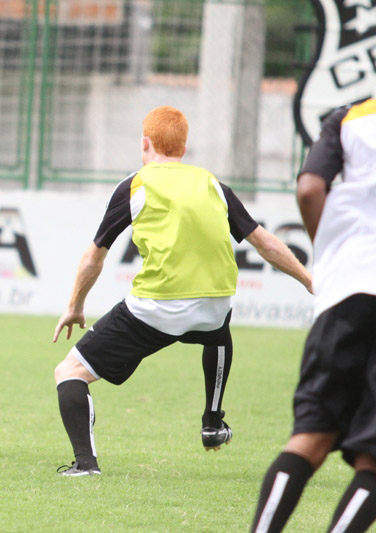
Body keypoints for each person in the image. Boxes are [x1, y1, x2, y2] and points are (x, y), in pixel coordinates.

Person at [52, 106, 313, 476]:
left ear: (145, 143)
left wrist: (75, 306)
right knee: (217, 326)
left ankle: (85, 464)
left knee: (70, 372)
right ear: (183, 149)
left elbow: (94, 258)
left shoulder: (136, 184)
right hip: (213, 304)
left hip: (156, 308)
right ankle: (212, 422)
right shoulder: (212, 184)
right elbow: (263, 241)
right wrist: (309, 279)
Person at [250, 99, 376, 531]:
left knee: (310, 436)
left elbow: (308, 188)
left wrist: (331, 252)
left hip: (347, 286)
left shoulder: (351, 116)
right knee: (373, 459)